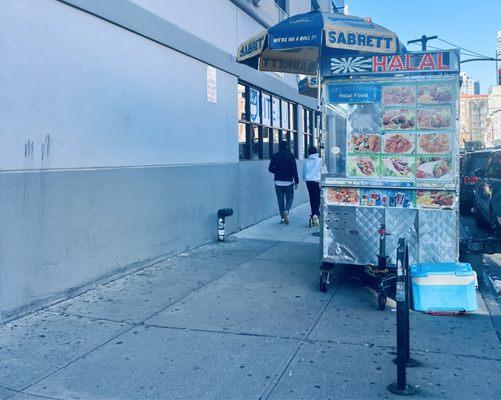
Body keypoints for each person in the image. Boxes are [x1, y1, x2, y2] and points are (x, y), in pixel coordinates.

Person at [268, 140, 299, 224]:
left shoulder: (275, 156)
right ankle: (287, 211)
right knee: (290, 197)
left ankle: (282, 218)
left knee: (280, 200)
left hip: (278, 181)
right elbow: (294, 169)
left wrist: (277, 172)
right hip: (288, 181)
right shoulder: (290, 156)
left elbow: (270, 169)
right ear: (287, 146)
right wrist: (296, 181)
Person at [302, 146, 321, 227]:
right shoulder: (320, 160)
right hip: (317, 181)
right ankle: (316, 214)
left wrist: (304, 178)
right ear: (316, 151)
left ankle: (313, 213)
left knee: (312, 198)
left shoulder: (307, 161)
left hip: (308, 181)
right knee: (317, 198)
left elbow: (304, 172)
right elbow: (323, 170)